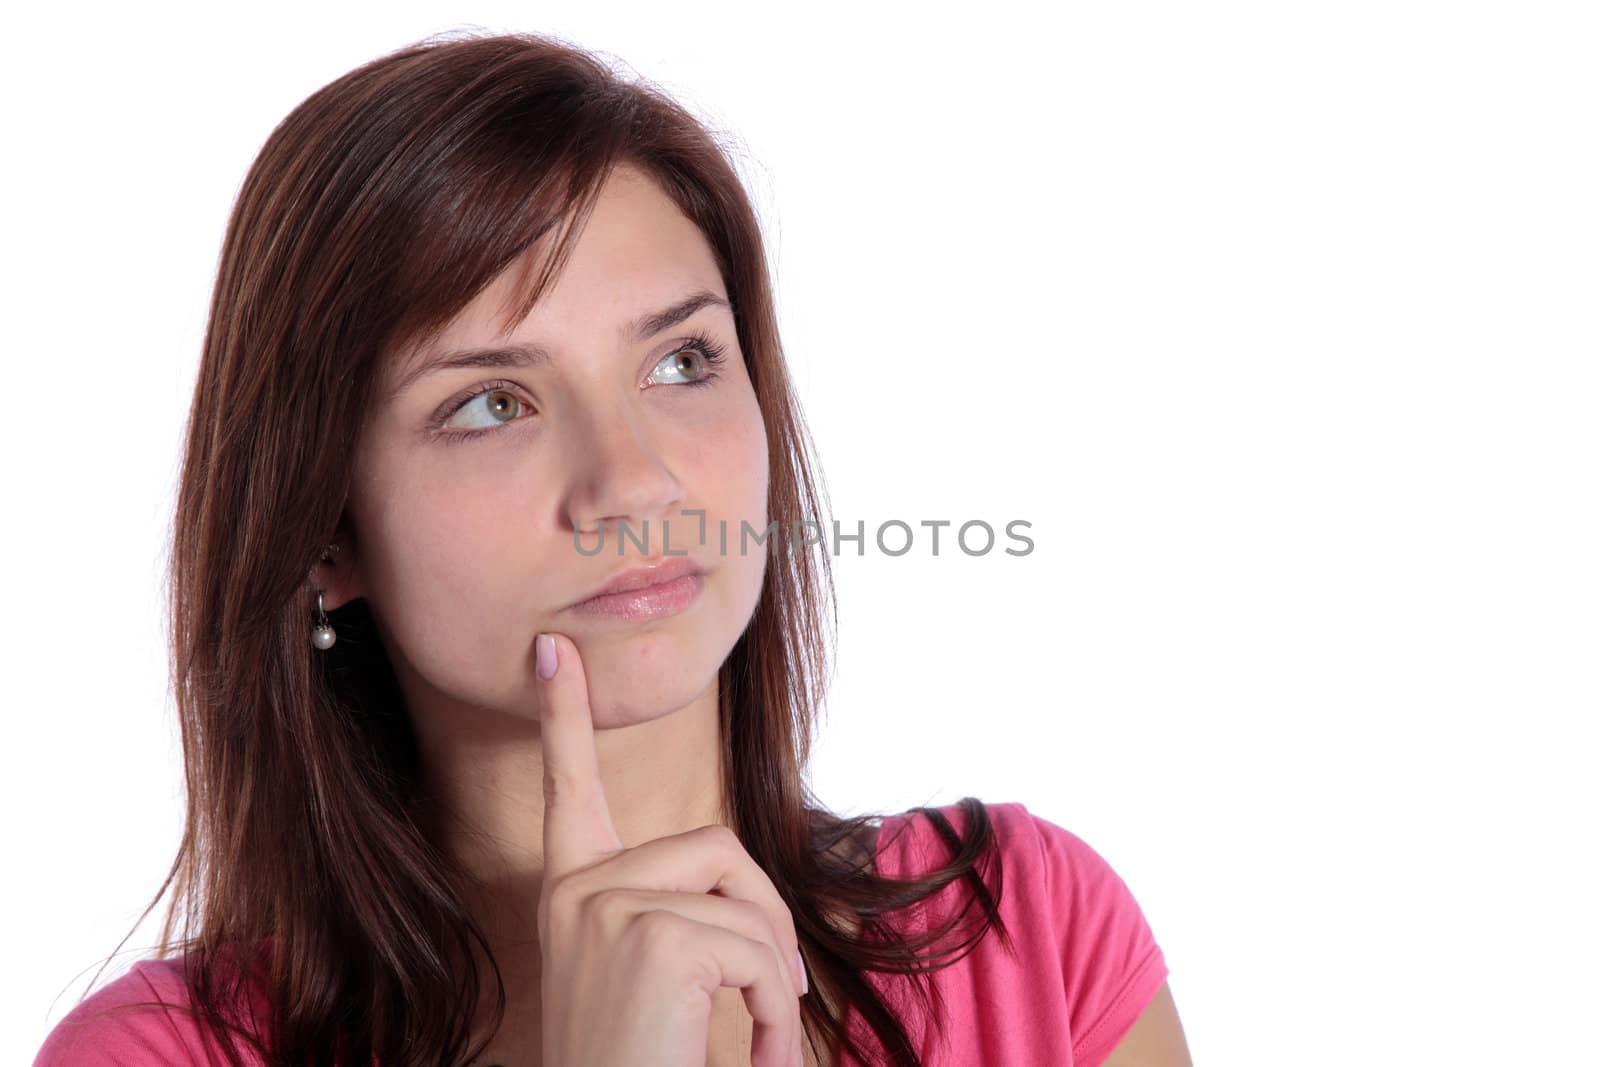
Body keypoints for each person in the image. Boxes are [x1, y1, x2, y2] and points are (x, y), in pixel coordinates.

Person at [34, 30, 1191, 1067]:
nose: (634, 482)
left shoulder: (1024, 934)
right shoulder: (153, 1056)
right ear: (324, 535)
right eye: (491, 403)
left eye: (681, 361)